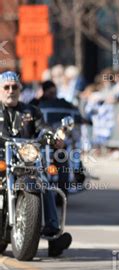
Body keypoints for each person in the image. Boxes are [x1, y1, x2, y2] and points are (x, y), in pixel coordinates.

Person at [0, 71, 72, 257]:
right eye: (6, 87)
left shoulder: (31, 111)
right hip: (1, 159)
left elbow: (43, 129)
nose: (10, 91)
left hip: (24, 160)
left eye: (14, 87)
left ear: (20, 89)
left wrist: (54, 136)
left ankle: (53, 233)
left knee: (43, 182)